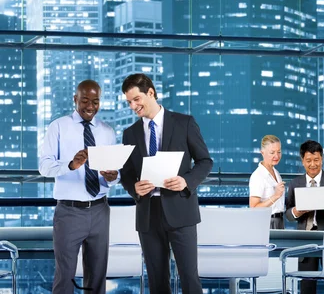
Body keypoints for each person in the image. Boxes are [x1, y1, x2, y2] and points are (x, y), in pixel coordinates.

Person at [120, 73, 213, 294]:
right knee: (157, 281)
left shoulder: (184, 123)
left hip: (181, 211)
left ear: (150, 93)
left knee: (190, 279)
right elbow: (126, 174)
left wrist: (186, 181)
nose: (133, 106)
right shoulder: (130, 133)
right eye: (129, 102)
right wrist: (134, 187)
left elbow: (205, 161)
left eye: (136, 99)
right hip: (148, 215)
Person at [39, 80, 119, 294]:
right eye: (85, 100)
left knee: (97, 275)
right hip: (69, 212)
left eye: (95, 101)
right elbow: (44, 167)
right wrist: (71, 165)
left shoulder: (107, 131)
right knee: (65, 276)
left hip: (100, 210)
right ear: (75, 99)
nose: (90, 106)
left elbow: (115, 174)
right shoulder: (58, 127)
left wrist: (112, 176)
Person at [285, 140, 324, 294]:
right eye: (308, 161)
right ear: (302, 161)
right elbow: (287, 214)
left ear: (322, 159)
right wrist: (296, 211)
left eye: (316, 160)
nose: (313, 164)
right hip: (306, 240)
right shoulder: (295, 183)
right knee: (307, 286)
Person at [249, 134, 286, 229]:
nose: (276, 156)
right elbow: (253, 208)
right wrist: (276, 196)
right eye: (272, 152)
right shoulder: (258, 176)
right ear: (262, 153)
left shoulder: (276, 173)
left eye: (279, 152)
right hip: (267, 222)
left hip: (280, 221)